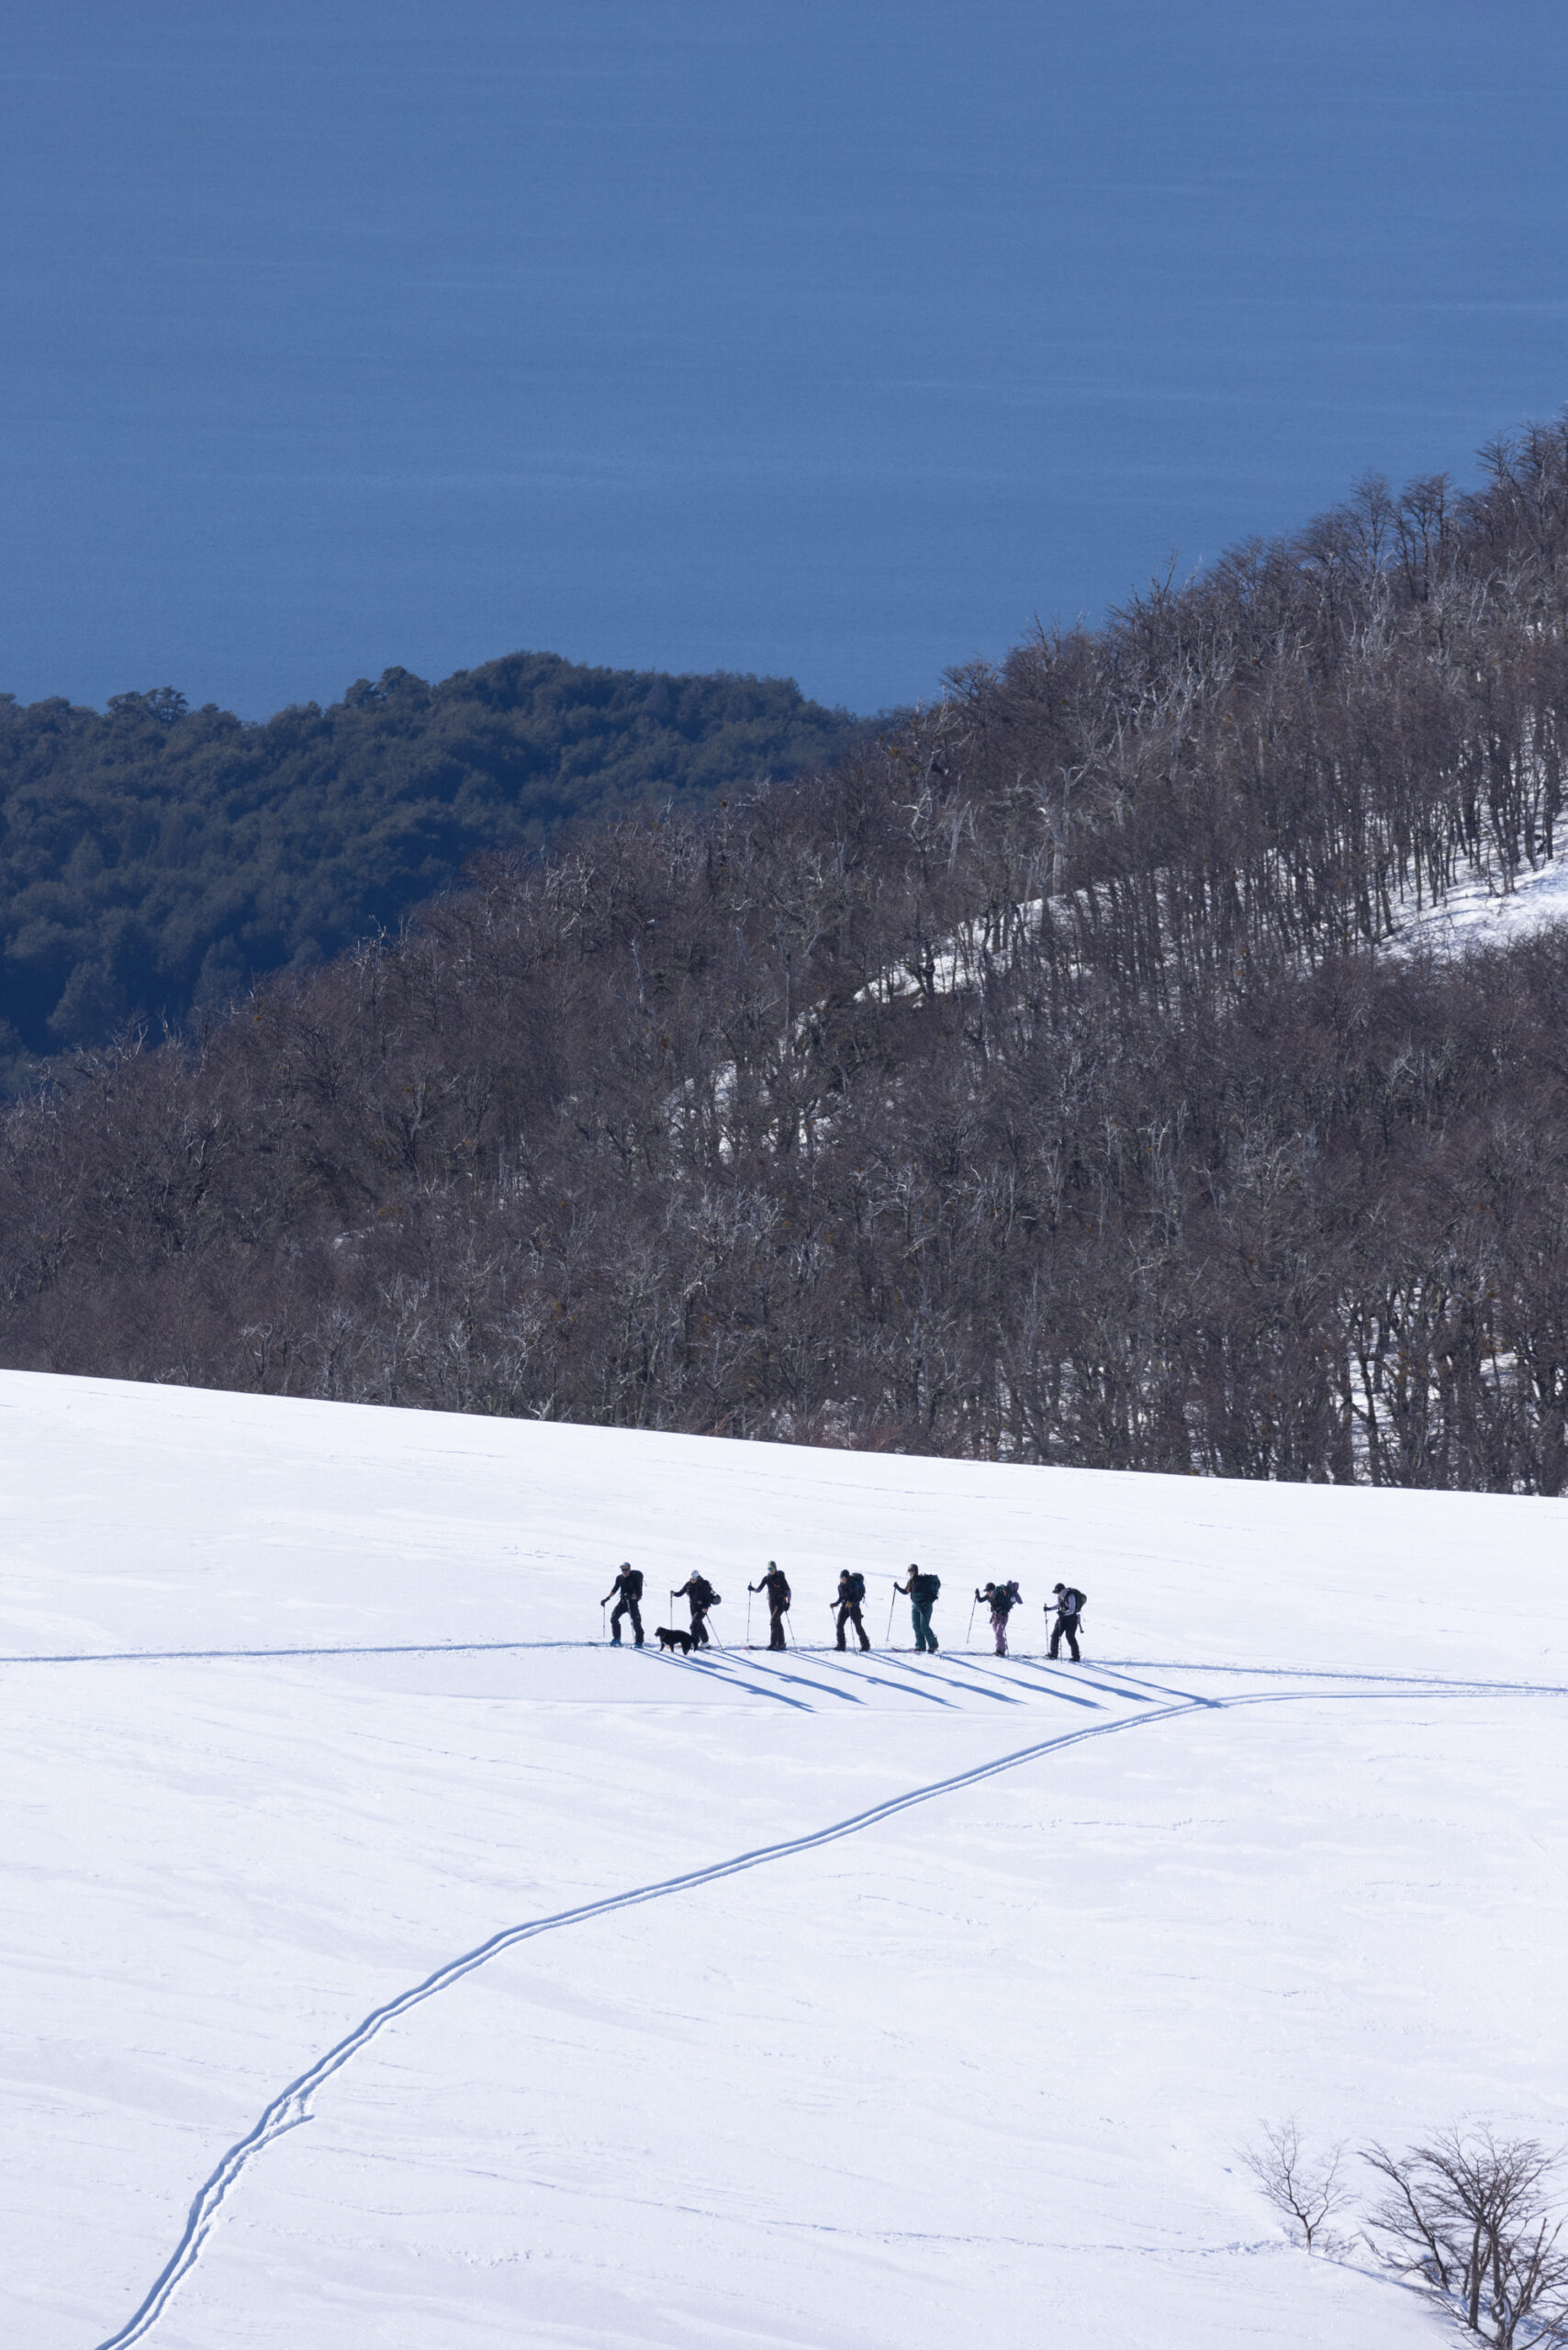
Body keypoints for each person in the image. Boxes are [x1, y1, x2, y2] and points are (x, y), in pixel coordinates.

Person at [895, 1564, 940, 1651]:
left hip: (925, 1606)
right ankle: (920, 1646)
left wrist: (925, 1604)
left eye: (912, 1570)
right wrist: (897, 1587)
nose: (911, 1573)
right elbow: (906, 1591)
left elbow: (927, 1594)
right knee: (916, 1626)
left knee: (924, 1626)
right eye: (909, 1571)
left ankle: (933, 1645)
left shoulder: (922, 1581)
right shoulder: (911, 1581)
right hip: (915, 1606)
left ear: (916, 1570)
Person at [749, 1560, 792, 1651]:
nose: (771, 1570)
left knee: (773, 1620)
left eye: (772, 1568)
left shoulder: (780, 1577)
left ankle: (773, 1644)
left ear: (775, 1568)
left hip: (781, 1602)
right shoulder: (766, 1578)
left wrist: (788, 1603)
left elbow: (788, 1591)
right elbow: (759, 1589)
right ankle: (781, 1643)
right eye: (769, 1568)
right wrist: (752, 1589)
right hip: (771, 1602)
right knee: (777, 1621)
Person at [601, 1561, 644, 1647]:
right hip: (623, 1602)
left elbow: (639, 1595)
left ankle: (639, 1642)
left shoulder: (634, 1578)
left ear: (629, 1569)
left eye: (626, 1569)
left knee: (636, 1621)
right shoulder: (619, 1578)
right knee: (614, 1618)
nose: (624, 1571)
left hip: (632, 1603)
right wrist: (607, 1599)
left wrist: (631, 1597)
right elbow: (615, 1589)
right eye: (623, 1570)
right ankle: (617, 1638)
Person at [672, 1571, 720, 1648]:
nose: (692, 1580)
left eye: (694, 1579)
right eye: (691, 1579)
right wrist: (674, 1594)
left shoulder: (703, 1585)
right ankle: (705, 1642)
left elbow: (707, 1598)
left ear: (697, 1577)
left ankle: (694, 1643)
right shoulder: (688, 1584)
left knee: (693, 1625)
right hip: (693, 1607)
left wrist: (705, 1607)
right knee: (699, 1623)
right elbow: (680, 1593)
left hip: (702, 1608)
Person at [976, 1578, 1020, 1656]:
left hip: (1003, 1617)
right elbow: (980, 1600)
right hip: (995, 1616)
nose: (988, 1593)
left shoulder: (1000, 1595)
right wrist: (977, 1595)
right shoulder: (989, 1595)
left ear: (993, 1590)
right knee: (997, 1633)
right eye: (987, 1591)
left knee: (998, 1633)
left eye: (989, 1591)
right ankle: (1001, 1646)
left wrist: (1003, 1611)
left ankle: (1000, 1651)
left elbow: (1007, 1606)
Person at [834, 1568, 870, 1651]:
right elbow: (841, 1597)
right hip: (845, 1607)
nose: (842, 1580)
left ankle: (865, 1645)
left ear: (847, 1578)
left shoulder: (853, 1585)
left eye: (843, 1578)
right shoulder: (840, 1586)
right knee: (839, 1625)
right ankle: (841, 1645)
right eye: (841, 1578)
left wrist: (852, 1603)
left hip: (854, 1608)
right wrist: (835, 1604)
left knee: (858, 1627)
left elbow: (858, 1598)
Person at [1047, 1581, 1085, 1662]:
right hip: (1062, 1618)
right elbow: (1059, 1605)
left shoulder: (1071, 1596)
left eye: (1058, 1592)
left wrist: (1063, 1613)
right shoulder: (1060, 1596)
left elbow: (1072, 1610)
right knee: (1055, 1635)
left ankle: (1076, 1657)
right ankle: (1053, 1654)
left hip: (1072, 1619)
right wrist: (1049, 1609)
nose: (1057, 1594)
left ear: (1062, 1590)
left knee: (1070, 1637)